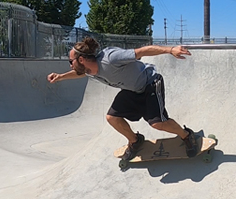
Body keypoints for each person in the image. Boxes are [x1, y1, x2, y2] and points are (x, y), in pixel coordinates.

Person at [47, 37, 198, 160]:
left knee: (158, 123)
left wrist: (170, 50)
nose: (70, 66)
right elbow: (78, 73)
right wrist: (60, 77)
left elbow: (142, 51)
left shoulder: (111, 59)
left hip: (150, 83)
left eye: (70, 62)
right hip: (132, 90)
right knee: (112, 117)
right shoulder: (88, 70)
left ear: (81, 60)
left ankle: (186, 135)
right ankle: (135, 140)